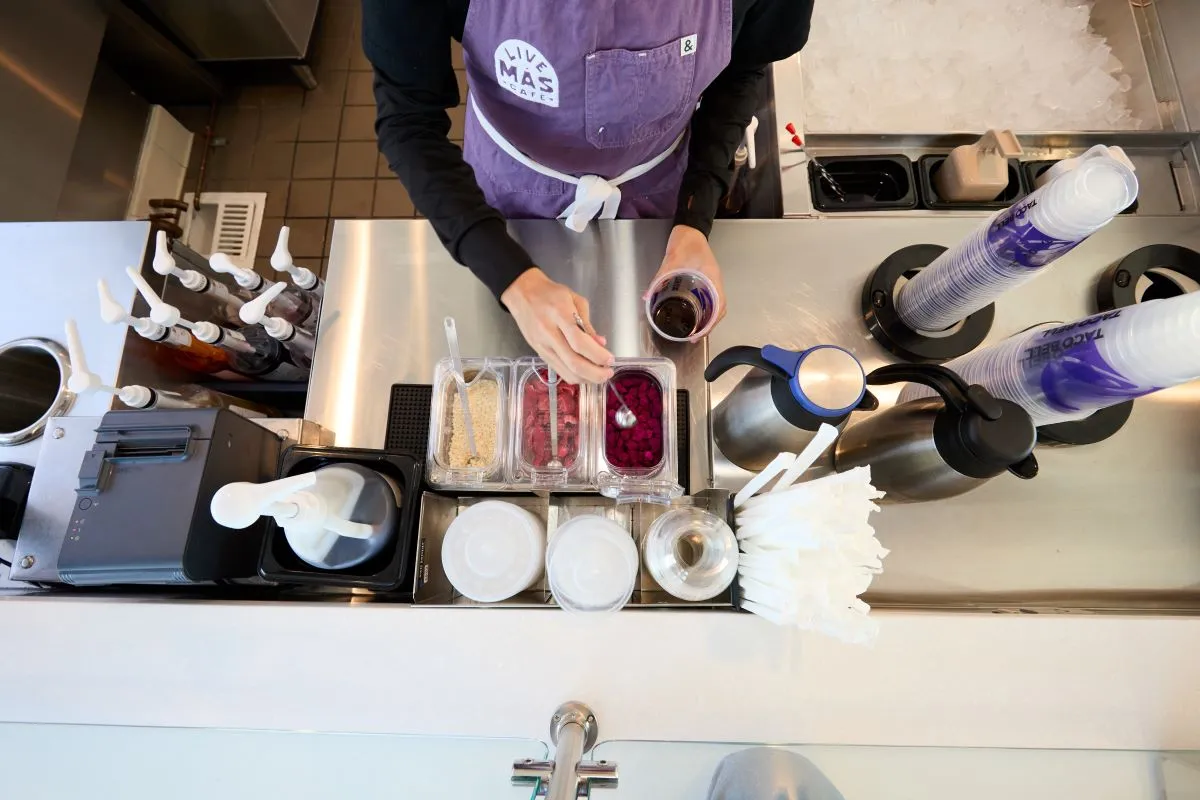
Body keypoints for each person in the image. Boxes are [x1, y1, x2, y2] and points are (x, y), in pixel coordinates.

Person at [363, 0, 814, 384]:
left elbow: (743, 69)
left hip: (656, 189)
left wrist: (694, 220)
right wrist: (513, 279)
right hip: (508, 192)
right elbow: (408, 121)